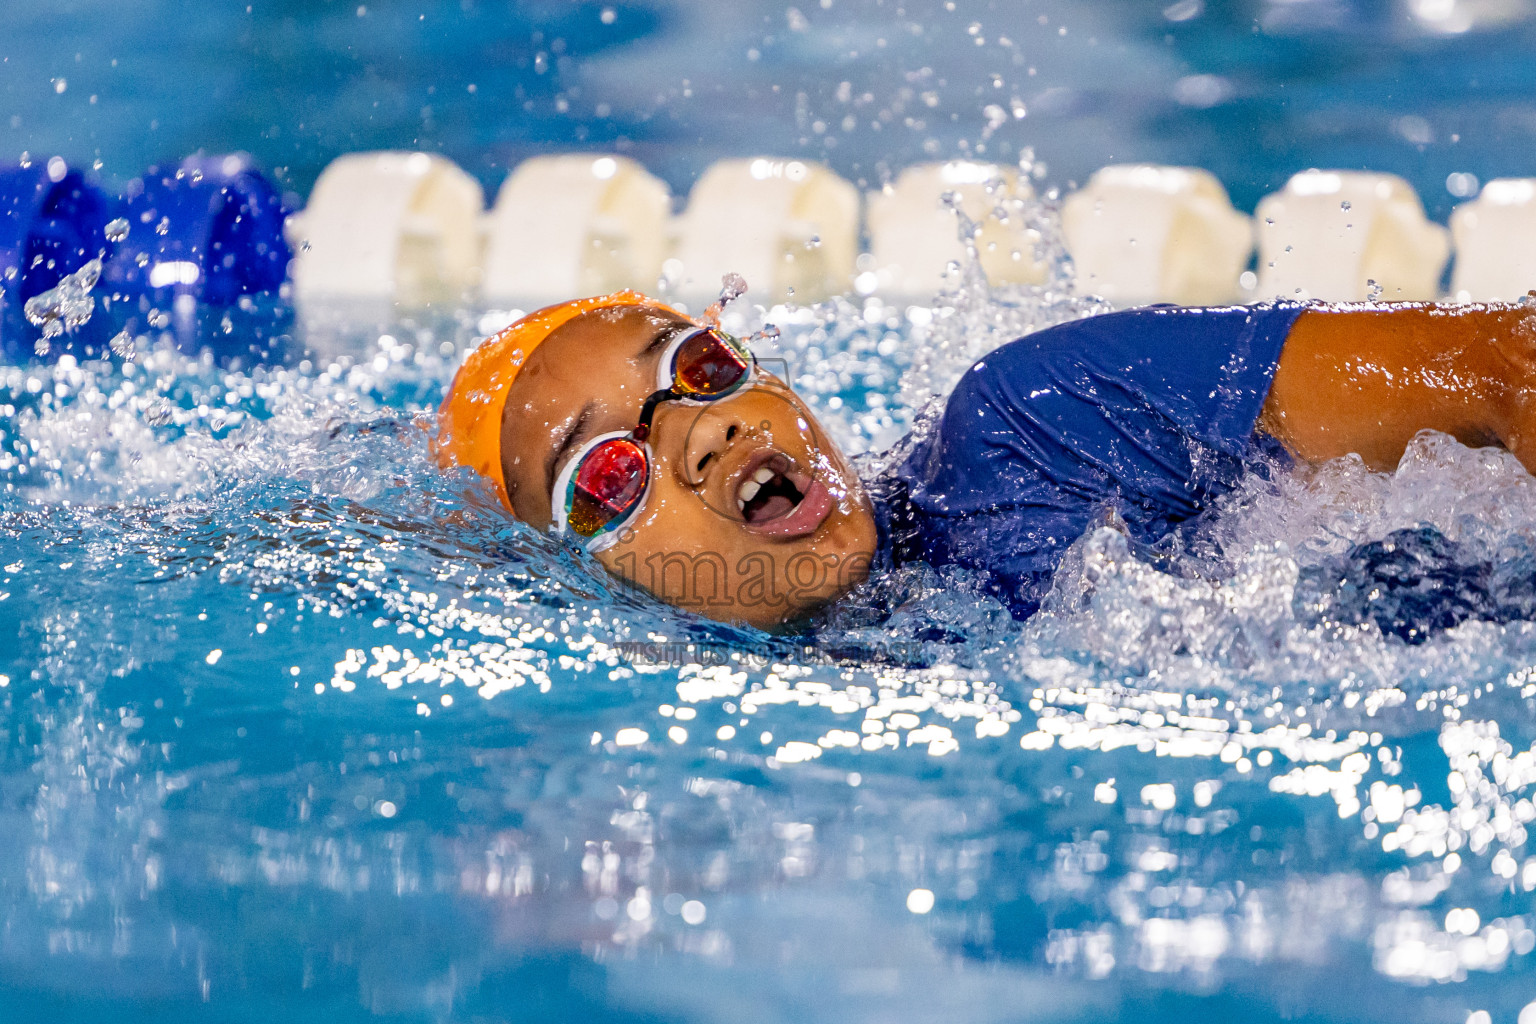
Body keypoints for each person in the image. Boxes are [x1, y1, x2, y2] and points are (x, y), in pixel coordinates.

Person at [435, 290, 1536, 631]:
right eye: (610, 478)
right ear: (574, 586)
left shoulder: (1037, 425)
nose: (698, 429)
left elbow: (1503, 364)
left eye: (700, 364)